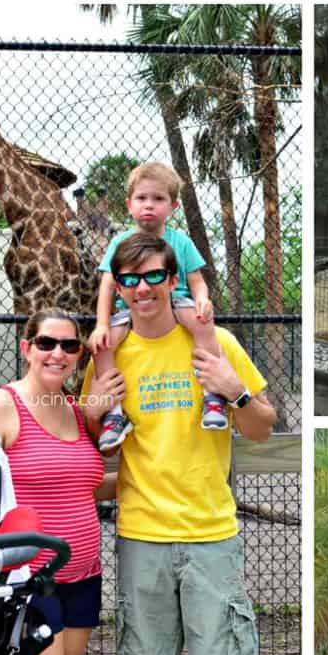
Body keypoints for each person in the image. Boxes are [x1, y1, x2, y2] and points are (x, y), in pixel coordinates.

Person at [82, 231, 276, 655]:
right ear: (117, 289)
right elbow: (88, 450)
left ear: (173, 281)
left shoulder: (217, 343)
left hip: (210, 532)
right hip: (141, 533)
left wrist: (231, 388)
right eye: (129, 280)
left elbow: (262, 427)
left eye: (152, 278)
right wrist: (95, 409)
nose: (141, 289)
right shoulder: (110, 353)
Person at [0, 309, 122, 655]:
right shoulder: (2, 406)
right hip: (28, 581)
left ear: (80, 354)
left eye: (69, 346)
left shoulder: (79, 412)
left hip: (83, 577)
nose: (57, 353)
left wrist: (152, 475)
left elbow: (83, 482)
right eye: (46, 343)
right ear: (27, 348)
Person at [85, 160, 222, 453]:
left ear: (173, 206)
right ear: (129, 204)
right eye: (141, 198)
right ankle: (114, 415)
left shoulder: (180, 242)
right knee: (102, 344)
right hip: (130, 307)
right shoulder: (120, 242)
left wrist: (202, 298)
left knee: (202, 323)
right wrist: (101, 325)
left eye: (158, 199)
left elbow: (196, 280)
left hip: (176, 300)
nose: (149, 205)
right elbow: (108, 286)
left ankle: (213, 395)